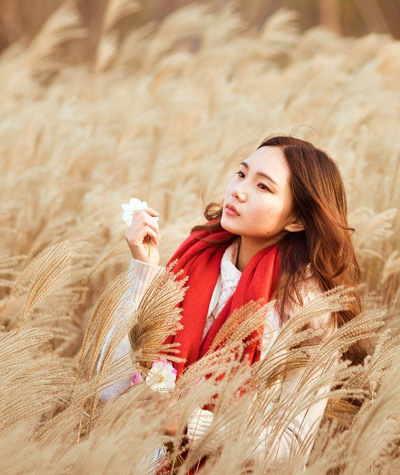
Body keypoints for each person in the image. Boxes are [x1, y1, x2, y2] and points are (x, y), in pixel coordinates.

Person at [96, 135, 366, 470]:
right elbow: (108, 387)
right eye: (241, 174)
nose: (238, 191)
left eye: (263, 187)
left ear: (296, 220)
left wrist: (188, 423)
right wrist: (144, 270)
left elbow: (292, 445)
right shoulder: (191, 263)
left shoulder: (306, 311)